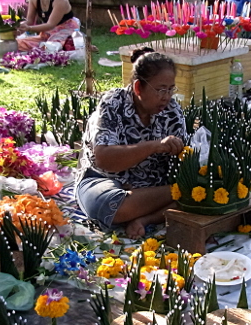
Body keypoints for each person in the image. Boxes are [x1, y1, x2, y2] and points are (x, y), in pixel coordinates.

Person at [75, 48, 187, 239]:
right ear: (138, 88)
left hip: (152, 188)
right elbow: (104, 159)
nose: (166, 96)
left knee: (201, 191)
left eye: (170, 89)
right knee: (109, 205)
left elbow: (182, 160)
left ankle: (144, 219)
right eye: (160, 89)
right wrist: (155, 146)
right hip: (105, 179)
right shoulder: (113, 104)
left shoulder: (172, 111)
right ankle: (169, 198)